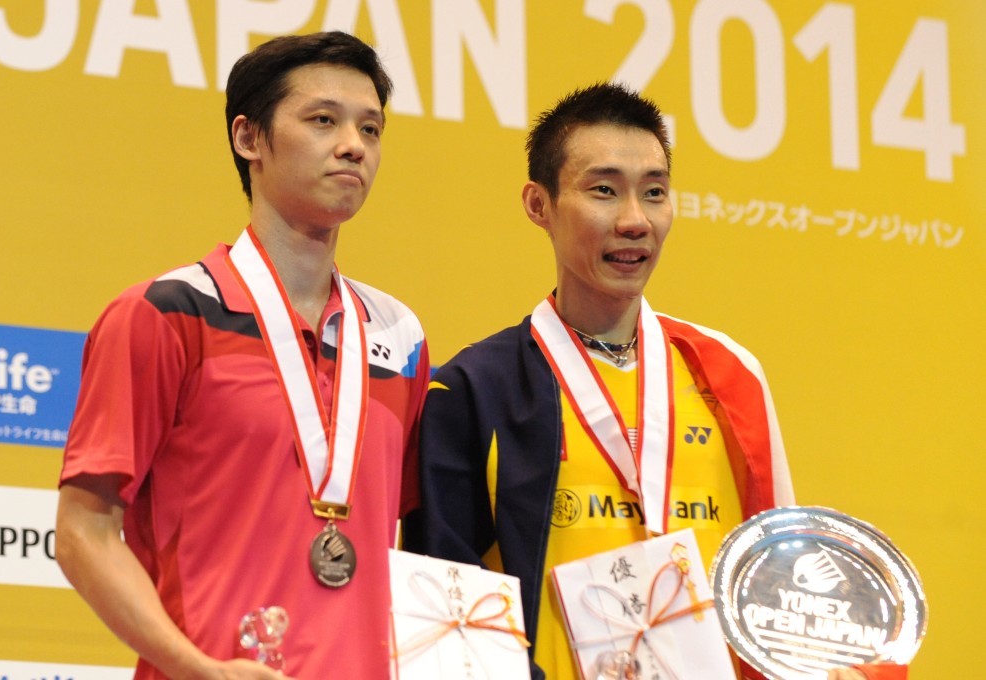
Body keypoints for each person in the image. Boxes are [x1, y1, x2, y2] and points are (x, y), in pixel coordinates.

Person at [403, 84, 904, 680]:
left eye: (655, 192)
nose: (635, 220)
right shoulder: (473, 390)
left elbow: (772, 580)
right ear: (540, 205)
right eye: (604, 190)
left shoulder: (728, 371)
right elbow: (441, 619)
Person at [55, 32, 429, 679]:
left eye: (371, 128)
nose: (354, 145)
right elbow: (83, 532)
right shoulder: (167, 313)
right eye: (323, 120)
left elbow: (422, 556)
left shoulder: (399, 337)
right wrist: (197, 666)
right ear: (248, 138)